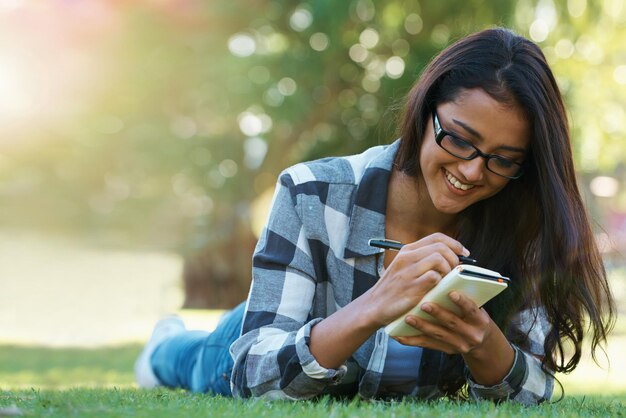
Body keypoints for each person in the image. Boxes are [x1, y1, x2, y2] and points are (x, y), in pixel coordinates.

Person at [135, 27, 615, 404]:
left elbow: (536, 391)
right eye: (460, 139)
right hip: (266, 332)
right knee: (193, 362)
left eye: (503, 159)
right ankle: (164, 344)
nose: (472, 171)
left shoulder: (527, 226)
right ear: (426, 110)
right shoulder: (313, 191)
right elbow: (253, 373)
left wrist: (485, 345)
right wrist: (374, 305)